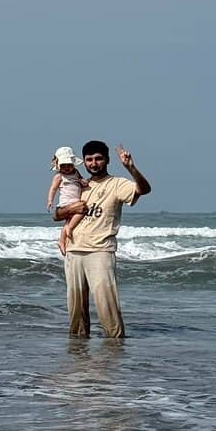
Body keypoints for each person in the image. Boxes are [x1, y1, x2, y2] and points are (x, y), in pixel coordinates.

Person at [64, 140, 151, 339]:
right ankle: (77, 353)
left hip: (100, 250)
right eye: (89, 160)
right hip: (74, 250)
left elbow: (144, 190)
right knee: (76, 310)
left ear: (107, 160)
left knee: (107, 306)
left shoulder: (117, 184)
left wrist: (131, 168)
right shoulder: (79, 185)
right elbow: (57, 214)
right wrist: (70, 209)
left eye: (98, 159)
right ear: (83, 162)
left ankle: (115, 351)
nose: (94, 163)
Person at [46, 146, 90, 256]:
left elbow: (81, 180)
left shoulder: (76, 172)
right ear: (58, 165)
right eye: (63, 166)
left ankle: (62, 241)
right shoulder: (59, 176)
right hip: (66, 202)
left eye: (69, 165)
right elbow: (53, 189)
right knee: (82, 211)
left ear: (73, 164)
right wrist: (50, 200)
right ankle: (69, 229)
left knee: (69, 221)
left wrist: (83, 182)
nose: (67, 168)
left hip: (76, 200)